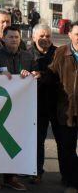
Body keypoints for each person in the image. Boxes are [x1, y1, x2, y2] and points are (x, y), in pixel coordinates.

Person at [0, 25, 39, 191]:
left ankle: (11, 177)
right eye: (10, 37)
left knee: (16, 140)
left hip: (20, 108)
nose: (14, 40)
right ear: (3, 39)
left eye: (16, 37)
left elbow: (36, 73)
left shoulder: (27, 56)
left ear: (20, 39)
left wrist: (33, 74)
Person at [28, 24, 61, 184]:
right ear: (33, 37)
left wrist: (43, 75)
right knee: (37, 141)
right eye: (41, 36)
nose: (45, 39)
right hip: (36, 106)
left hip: (57, 105)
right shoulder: (27, 54)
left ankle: (68, 175)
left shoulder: (60, 53)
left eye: (48, 36)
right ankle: (37, 172)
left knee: (63, 142)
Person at [48, 22, 78, 193]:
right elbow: (51, 74)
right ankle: (71, 181)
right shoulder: (61, 52)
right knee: (68, 149)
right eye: (77, 34)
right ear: (70, 35)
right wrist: (37, 77)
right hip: (66, 111)